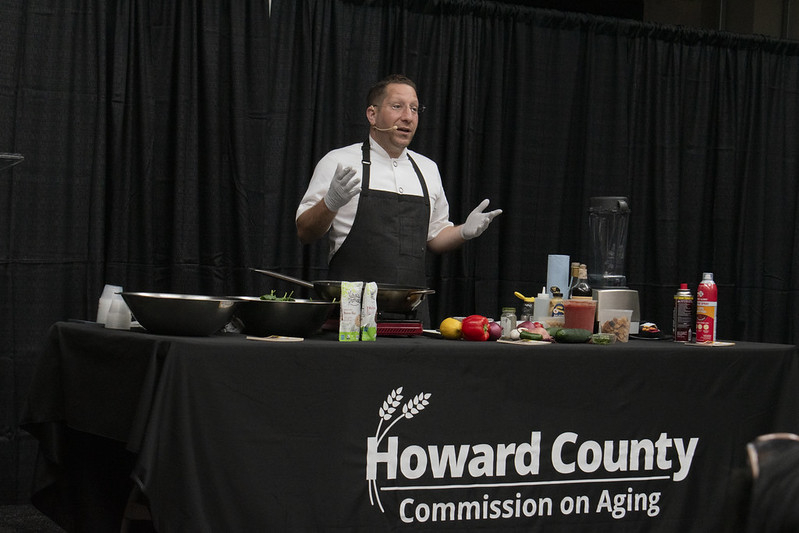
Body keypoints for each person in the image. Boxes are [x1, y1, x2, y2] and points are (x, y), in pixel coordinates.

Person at [295, 74, 502, 324]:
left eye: (414, 109)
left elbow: (435, 237)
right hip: (351, 318)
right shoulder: (339, 162)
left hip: (411, 318)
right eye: (397, 106)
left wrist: (464, 233)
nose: (408, 116)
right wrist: (331, 203)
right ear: (372, 114)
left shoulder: (427, 169)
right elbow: (305, 232)